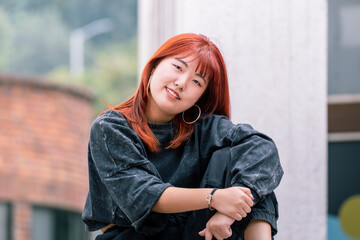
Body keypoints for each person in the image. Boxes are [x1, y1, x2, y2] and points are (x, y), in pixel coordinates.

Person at [82, 33, 284, 240]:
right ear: (154, 66)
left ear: (201, 96)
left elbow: (262, 149)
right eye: (178, 68)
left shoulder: (205, 129)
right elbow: (143, 194)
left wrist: (230, 209)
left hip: (195, 232)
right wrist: (215, 198)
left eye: (197, 82)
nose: (181, 83)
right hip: (134, 235)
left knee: (253, 177)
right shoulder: (111, 128)